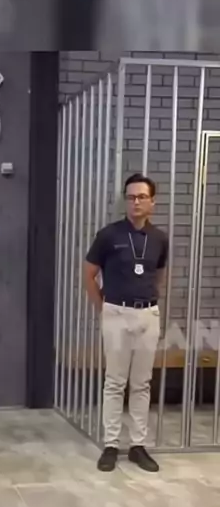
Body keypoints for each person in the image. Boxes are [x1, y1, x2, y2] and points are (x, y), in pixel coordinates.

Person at [84, 173, 169, 473]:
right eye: (131, 197)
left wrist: (149, 301)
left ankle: (137, 445)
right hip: (116, 313)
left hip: (148, 315)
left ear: (152, 202)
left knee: (142, 383)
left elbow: (159, 275)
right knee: (115, 382)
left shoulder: (159, 238)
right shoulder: (109, 235)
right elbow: (89, 274)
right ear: (125, 200)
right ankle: (111, 444)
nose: (135, 202)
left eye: (142, 197)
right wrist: (104, 309)